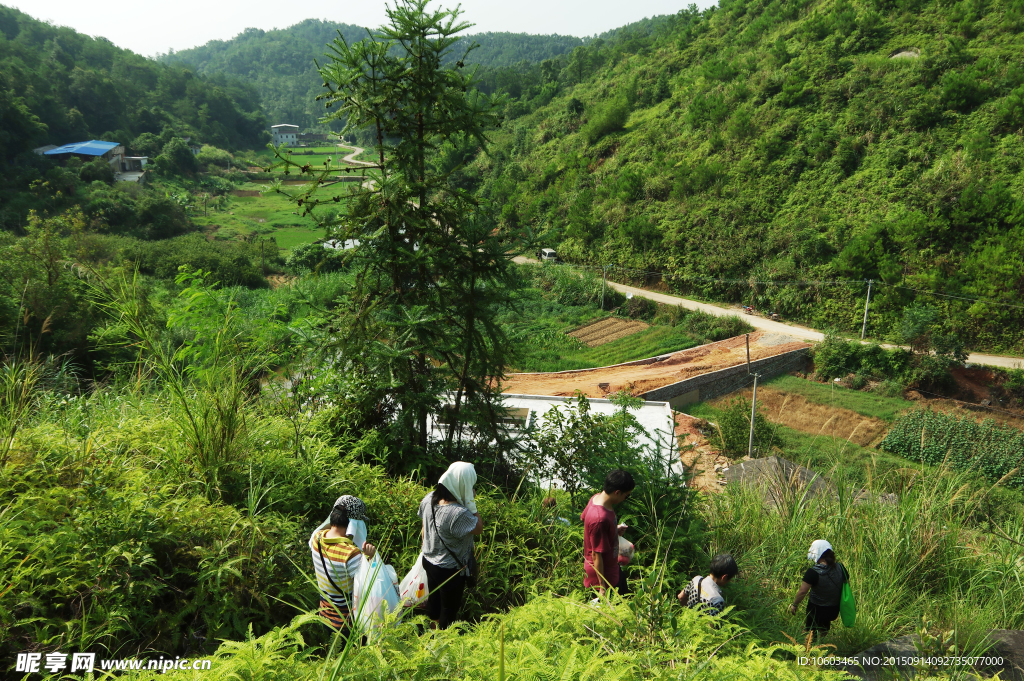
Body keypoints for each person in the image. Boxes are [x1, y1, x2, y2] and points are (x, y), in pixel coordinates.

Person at [419, 461, 483, 629]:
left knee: (434, 602)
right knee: (449, 610)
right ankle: (443, 642)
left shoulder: (428, 499)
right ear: (465, 485)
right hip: (450, 570)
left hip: (429, 560)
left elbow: (424, 528)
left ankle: (429, 636)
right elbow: (478, 528)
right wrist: (470, 501)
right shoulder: (459, 513)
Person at [309, 495, 377, 634]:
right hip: (346, 622)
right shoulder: (350, 554)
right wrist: (370, 558)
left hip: (324, 614)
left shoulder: (317, 538)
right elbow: (368, 585)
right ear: (354, 524)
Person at [582, 469, 635, 597]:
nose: (625, 499)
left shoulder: (595, 498)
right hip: (603, 578)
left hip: (612, 569)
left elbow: (583, 518)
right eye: (626, 495)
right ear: (617, 492)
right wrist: (602, 587)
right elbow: (596, 555)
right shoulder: (600, 519)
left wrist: (613, 530)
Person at [789, 539, 846, 637]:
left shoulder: (813, 572)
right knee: (824, 629)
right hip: (833, 609)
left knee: (809, 630)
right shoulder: (840, 567)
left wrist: (795, 604)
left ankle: (808, 648)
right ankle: (821, 646)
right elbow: (846, 585)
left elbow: (803, 591)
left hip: (816, 609)